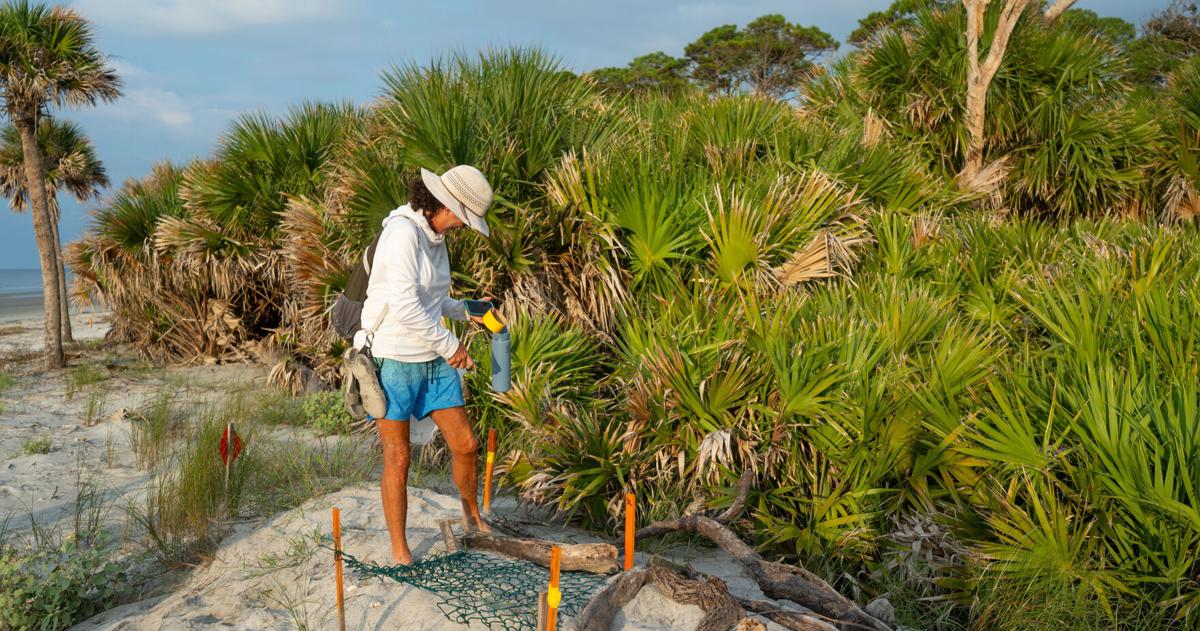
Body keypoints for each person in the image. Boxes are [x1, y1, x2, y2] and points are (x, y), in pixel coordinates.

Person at [354, 165, 495, 565]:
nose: (464, 226)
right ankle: (400, 550)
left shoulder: (436, 237)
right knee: (398, 458)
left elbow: (432, 300)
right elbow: (403, 305)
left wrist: (468, 310)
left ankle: (472, 517)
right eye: (464, 218)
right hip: (394, 360)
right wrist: (452, 345)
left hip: (432, 360)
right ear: (446, 204)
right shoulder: (401, 234)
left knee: (466, 444)